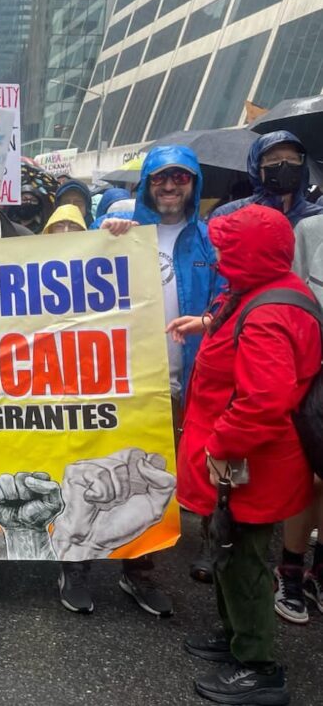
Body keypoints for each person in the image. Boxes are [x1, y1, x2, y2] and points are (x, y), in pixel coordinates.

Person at [171, 205, 321, 706]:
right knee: (228, 548)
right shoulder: (259, 292)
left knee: (243, 560)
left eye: (226, 249)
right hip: (244, 463)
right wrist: (207, 322)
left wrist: (219, 446)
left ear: (249, 254)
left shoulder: (268, 313)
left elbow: (264, 401)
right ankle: (237, 636)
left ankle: (258, 667)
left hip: (249, 465)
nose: (217, 257)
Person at [95, 145, 222, 614]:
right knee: (102, 468)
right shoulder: (119, 230)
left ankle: (144, 569)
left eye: (180, 178)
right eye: (160, 179)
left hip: (184, 379)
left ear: (194, 184)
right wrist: (103, 234)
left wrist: (209, 322)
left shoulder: (211, 241)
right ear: (147, 184)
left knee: (159, 479)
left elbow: (228, 298)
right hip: (123, 379)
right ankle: (85, 566)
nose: (169, 187)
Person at [277, 209, 323, 625]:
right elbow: (291, 295)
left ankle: (318, 570)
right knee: (308, 476)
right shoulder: (312, 229)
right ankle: (290, 570)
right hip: (314, 373)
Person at [211, 131, 323, 228]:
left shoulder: (317, 217)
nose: (285, 165)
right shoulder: (229, 215)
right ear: (256, 168)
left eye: (292, 158)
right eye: (274, 159)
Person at [3, 163, 57, 234]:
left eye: (33, 200)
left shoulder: (46, 227)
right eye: (24, 199)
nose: (28, 202)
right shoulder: (5, 223)